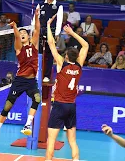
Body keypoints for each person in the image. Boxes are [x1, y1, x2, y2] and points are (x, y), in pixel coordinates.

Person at [0, 8, 41, 146]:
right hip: (19, 81)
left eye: (25, 33)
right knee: (7, 106)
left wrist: (37, 17)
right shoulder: (19, 47)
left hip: (31, 81)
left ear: (29, 36)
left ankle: (27, 125)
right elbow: (17, 37)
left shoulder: (34, 45)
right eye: (21, 33)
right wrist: (15, 28)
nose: (22, 34)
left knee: (37, 98)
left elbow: (37, 29)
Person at [45, 16, 89, 161]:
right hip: (71, 106)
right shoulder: (79, 65)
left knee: (51, 139)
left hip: (58, 105)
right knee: (72, 141)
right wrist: (72, 33)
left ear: (66, 56)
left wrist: (48, 25)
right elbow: (86, 46)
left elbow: (51, 43)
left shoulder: (61, 64)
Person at [33, 0, 63, 83]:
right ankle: (37, 73)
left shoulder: (59, 6)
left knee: (50, 54)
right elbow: (35, 19)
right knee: (38, 53)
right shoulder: (40, 5)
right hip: (40, 32)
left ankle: (47, 76)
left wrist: (57, 34)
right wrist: (33, 31)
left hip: (52, 33)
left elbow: (59, 20)